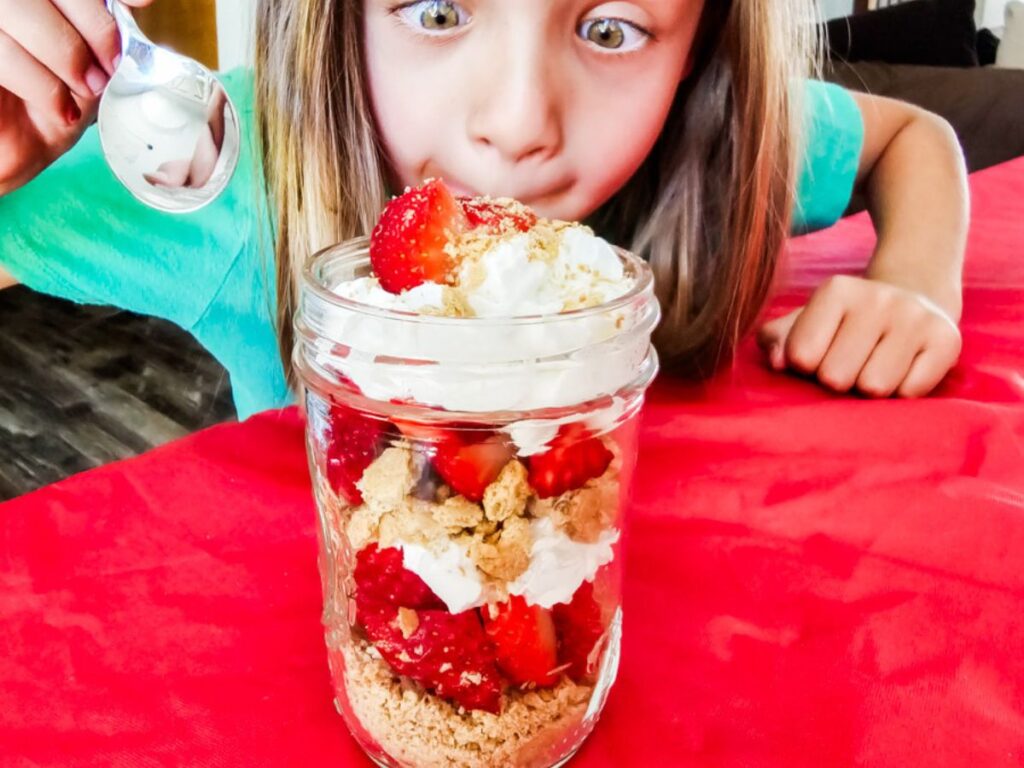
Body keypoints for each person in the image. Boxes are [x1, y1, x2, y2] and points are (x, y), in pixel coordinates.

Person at [0, 0, 967, 421]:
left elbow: (911, 138)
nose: (516, 126)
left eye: (609, 28)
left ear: (699, 53)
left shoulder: (709, 147)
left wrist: (913, 283)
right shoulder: (237, 169)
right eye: (436, 11)